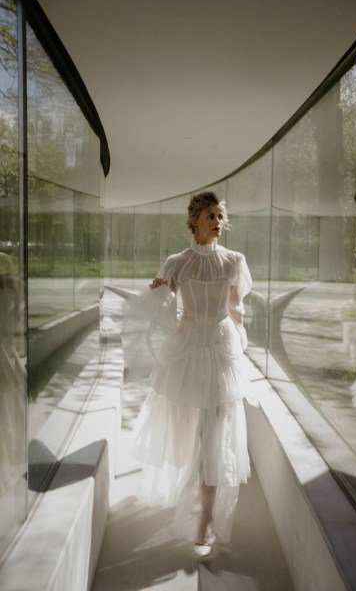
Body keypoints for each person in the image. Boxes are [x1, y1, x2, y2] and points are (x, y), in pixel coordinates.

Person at [130, 190, 252, 558]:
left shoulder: (234, 261)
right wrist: (157, 295)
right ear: (195, 220)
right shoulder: (176, 263)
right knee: (185, 437)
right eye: (210, 216)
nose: (217, 222)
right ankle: (189, 502)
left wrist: (237, 343)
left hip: (218, 352)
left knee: (214, 440)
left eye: (220, 216)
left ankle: (205, 526)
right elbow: (163, 314)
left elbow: (236, 311)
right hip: (185, 353)